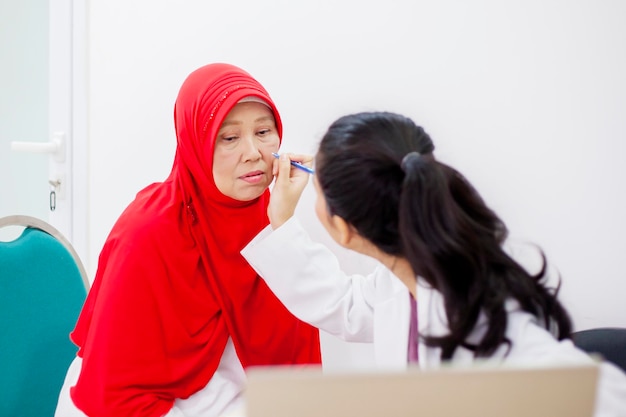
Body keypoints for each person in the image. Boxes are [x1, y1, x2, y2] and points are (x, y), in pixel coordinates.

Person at [242, 111, 626, 415]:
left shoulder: (501, 340)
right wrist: (283, 222)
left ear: (343, 229)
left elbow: (598, 396)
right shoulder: (404, 280)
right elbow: (347, 305)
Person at [54, 63, 321, 417]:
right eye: (229, 138)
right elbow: (114, 394)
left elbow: (295, 365)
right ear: (196, 142)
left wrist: (283, 227)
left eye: (264, 132)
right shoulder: (146, 231)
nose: (254, 152)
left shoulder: (268, 216)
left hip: (229, 396)